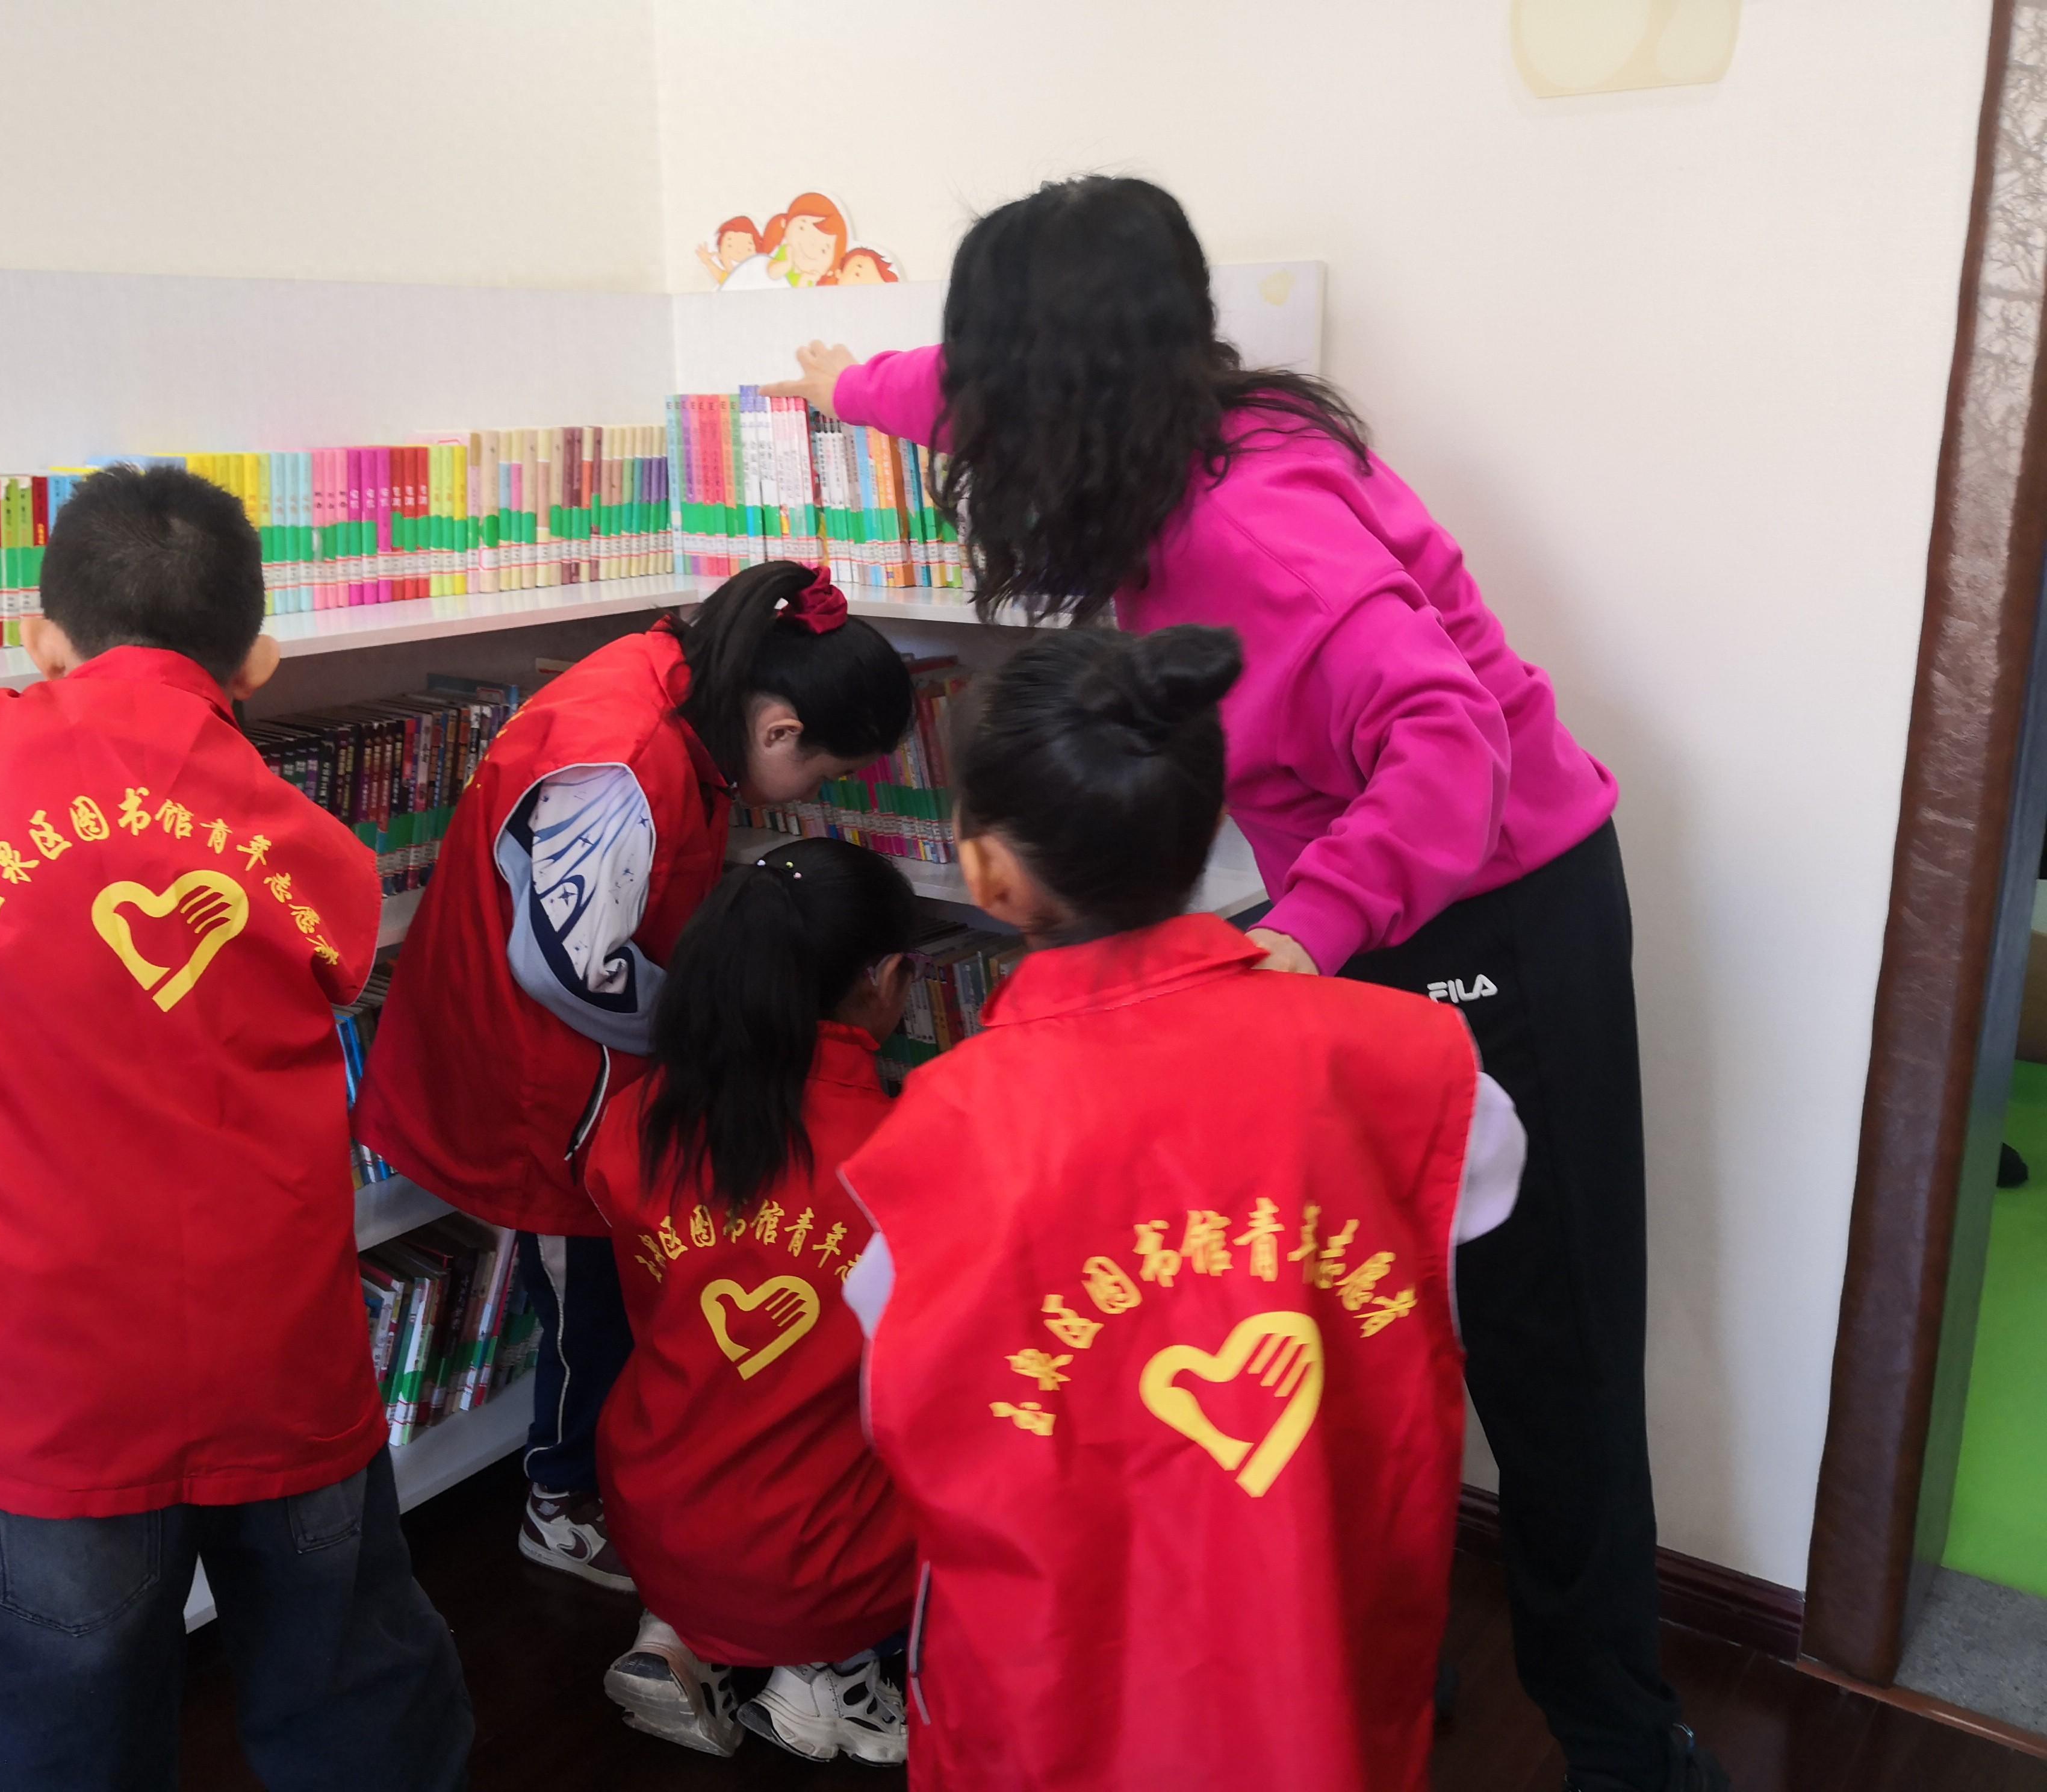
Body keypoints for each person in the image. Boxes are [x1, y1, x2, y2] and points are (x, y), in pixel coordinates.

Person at [766, 173, 1726, 1792]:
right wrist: (841, 384)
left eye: (987, 378)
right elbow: (952, 386)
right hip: (1364, 894)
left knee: (1548, 1357)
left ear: (1063, 389)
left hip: (1497, 902)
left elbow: (1452, 742)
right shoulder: (1155, 417)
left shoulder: (1248, 522)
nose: (968, 411)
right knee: (1328, 1309)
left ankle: (1627, 1746)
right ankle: (1367, 1649)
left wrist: (1310, 932)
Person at [0, 465, 469, 1792]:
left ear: (41, 642)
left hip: (39, 1381)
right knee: (354, 1699)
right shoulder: (322, 851)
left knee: (63, 1741)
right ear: (256, 661)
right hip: (276, 1354)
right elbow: (334, 972)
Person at [837, 624, 1521, 1791]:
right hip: (1320, 1685)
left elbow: (893, 1409)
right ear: (1211, 828)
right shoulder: (1428, 1071)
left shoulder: (923, 1154)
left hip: (1059, 1710)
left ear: (988, 876)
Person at [355, 561, 913, 1590]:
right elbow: (566, 967)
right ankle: (560, 1502)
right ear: (780, 729)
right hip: (542, 1084)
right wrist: (719, 1025)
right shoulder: (620, 758)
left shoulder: (670, 677)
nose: (816, 797)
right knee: (589, 1309)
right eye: (826, 774)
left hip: (585, 1067)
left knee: (604, 1293)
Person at [586, 839, 921, 1764]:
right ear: (883, 978)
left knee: (736, 1420)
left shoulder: (634, 1123)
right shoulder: (903, 1157)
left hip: (653, 1514)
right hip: (822, 1557)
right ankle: (833, 1676)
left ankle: (681, 1633)